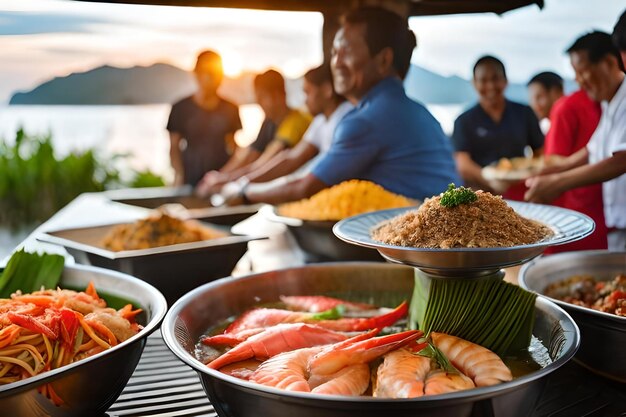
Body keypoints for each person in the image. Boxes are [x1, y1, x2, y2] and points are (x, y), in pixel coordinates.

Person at [224, 6, 459, 205]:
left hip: (418, 239)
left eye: (344, 52)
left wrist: (243, 193)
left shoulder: (366, 120)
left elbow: (304, 188)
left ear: (384, 60)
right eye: (334, 52)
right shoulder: (419, 112)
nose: (335, 63)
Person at [525, 30, 626, 250]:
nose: (579, 81)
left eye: (583, 72)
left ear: (609, 62)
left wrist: (558, 182)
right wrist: (553, 170)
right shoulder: (609, 102)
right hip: (616, 224)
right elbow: (592, 149)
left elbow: (621, 160)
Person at [228, 63, 353, 187]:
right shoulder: (319, 121)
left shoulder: (344, 119)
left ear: (327, 90)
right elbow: (252, 155)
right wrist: (229, 179)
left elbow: (281, 162)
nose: (305, 100)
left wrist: (240, 185)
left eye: (308, 93)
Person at [196, 69, 311, 196]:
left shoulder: (296, 122)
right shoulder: (270, 122)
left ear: (278, 96)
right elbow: (250, 155)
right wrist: (219, 176)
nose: (259, 103)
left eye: (262, 98)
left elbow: (263, 164)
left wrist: (225, 181)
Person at [451, 55, 544, 200]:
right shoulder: (463, 121)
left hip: (521, 192)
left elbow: (540, 152)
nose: (490, 86)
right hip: (480, 195)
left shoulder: (525, 113)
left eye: (495, 78)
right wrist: (488, 180)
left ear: (505, 81)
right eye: (483, 80)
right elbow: (463, 164)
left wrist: (530, 174)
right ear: (474, 83)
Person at [166, 50, 242, 186]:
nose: (212, 78)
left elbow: (234, 146)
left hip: (219, 180)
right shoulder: (180, 108)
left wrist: (225, 176)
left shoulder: (231, 108)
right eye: (207, 73)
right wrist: (179, 175)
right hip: (189, 179)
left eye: (217, 74)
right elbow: (174, 147)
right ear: (197, 74)